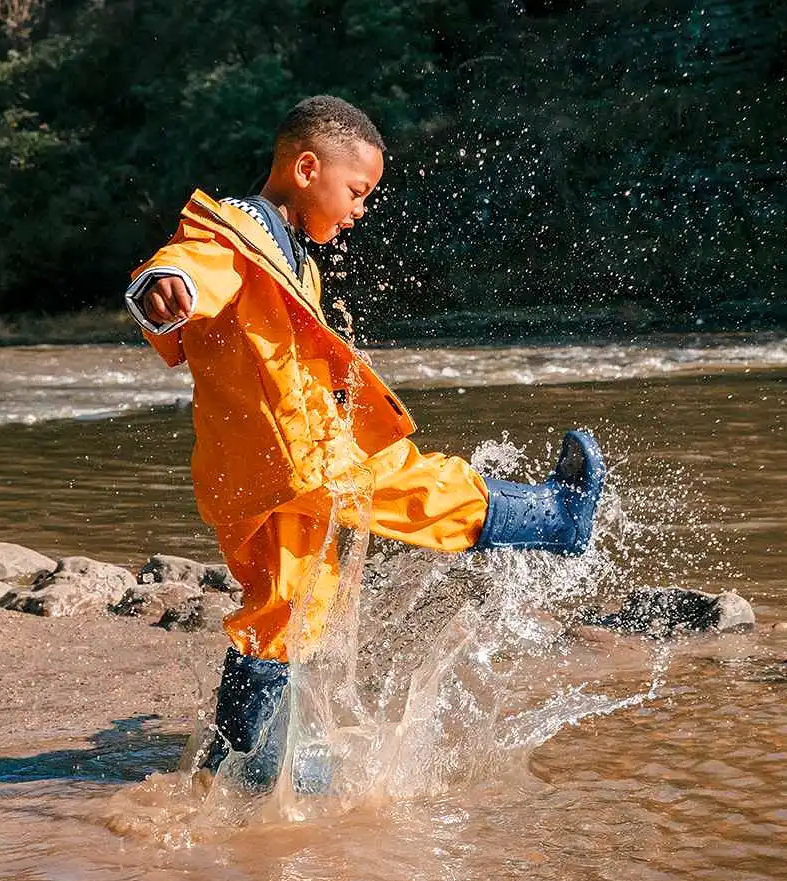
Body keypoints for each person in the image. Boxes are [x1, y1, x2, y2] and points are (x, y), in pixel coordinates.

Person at [125, 95, 606, 792]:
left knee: (282, 611)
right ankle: (555, 516)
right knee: (417, 485)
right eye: (357, 191)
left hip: (261, 470)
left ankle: (238, 765)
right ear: (307, 167)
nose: (359, 208)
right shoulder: (236, 235)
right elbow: (188, 266)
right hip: (301, 462)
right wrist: (160, 287)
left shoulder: (292, 255)